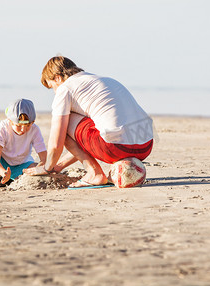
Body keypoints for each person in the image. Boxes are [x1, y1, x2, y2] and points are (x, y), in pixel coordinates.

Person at [24, 56, 153, 188]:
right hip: (146, 145)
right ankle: (91, 170)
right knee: (95, 121)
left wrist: (46, 167)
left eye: (52, 87)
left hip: (115, 147)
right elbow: (83, 142)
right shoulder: (104, 80)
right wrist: (57, 166)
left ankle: (94, 173)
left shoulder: (65, 88)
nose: (55, 92)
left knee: (64, 122)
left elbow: (57, 142)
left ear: (58, 78)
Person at [0, 99, 47, 187]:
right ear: (10, 121)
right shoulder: (3, 127)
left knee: (44, 169)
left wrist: (38, 169)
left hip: (23, 165)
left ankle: (15, 179)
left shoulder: (35, 129)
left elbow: (44, 158)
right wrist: (3, 173)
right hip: (2, 164)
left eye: (28, 125)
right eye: (18, 125)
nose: (23, 129)